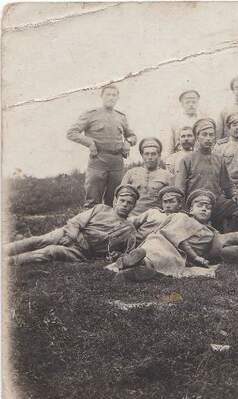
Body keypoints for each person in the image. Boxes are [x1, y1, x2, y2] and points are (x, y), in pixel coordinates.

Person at [6, 185, 138, 265]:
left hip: (83, 253)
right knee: (39, 240)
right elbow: (75, 222)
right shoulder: (101, 209)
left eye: (129, 203)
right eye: (122, 200)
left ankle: (10, 261)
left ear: (133, 206)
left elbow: (128, 255)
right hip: (69, 233)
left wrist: (116, 255)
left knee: (51, 251)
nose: (125, 205)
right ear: (115, 201)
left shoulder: (129, 230)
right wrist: (72, 237)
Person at [114, 189, 223, 277]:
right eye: (199, 206)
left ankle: (131, 266)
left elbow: (214, 252)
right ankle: (138, 263)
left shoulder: (211, 232)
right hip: (164, 243)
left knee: (166, 258)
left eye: (208, 208)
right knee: (161, 254)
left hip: (180, 254)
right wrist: (195, 257)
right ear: (191, 209)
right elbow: (177, 237)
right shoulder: (181, 217)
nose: (204, 209)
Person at [67, 84, 137, 208]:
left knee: (114, 200)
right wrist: (89, 143)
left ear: (117, 98)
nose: (111, 97)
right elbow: (71, 133)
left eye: (114, 95)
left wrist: (128, 142)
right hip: (98, 161)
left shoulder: (121, 117)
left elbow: (132, 136)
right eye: (108, 94)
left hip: (117, 162)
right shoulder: (91, 114)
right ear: (101, 96)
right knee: (93, 201)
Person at [175, 118, 238, 229]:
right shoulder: (187, 160)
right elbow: (179, 190)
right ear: (197, 137)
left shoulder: (219, 159)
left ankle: (229, 234)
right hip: (196, 205)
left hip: (215, 205)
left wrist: (235, 195)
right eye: (204, 135)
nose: (208, 138)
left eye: (211, 135)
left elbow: (228, 185)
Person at [121, 137, 172, 217]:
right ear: (142, 155)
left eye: (153, 154)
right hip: (131, 217)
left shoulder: (167, 176)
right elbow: (119, 197)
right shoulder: (131, 173)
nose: (150, 157)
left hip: (156, 218)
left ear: (159, 155)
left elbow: (173, 201)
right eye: (146, 154)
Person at [168, 90, 205, 154]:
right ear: (182, 104)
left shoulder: (203, 120)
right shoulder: (175, 122)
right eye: (187, 102)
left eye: (194, 102)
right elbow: (170, 145)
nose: (191, 105)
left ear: (198, 103)